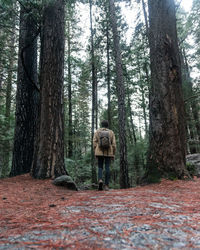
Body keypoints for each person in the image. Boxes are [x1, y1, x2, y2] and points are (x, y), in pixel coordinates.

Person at [93, 120, 116, 191]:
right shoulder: (111, 132)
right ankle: (106, 185)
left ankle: (100, 180)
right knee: (107, 167)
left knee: (100, 167)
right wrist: (113, 153)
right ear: (107, 125)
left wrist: (95, 151)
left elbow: (94, 142)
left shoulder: (97, 131)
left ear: (101, 125)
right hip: (108, 153)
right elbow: (114, 144)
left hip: (99, 152)